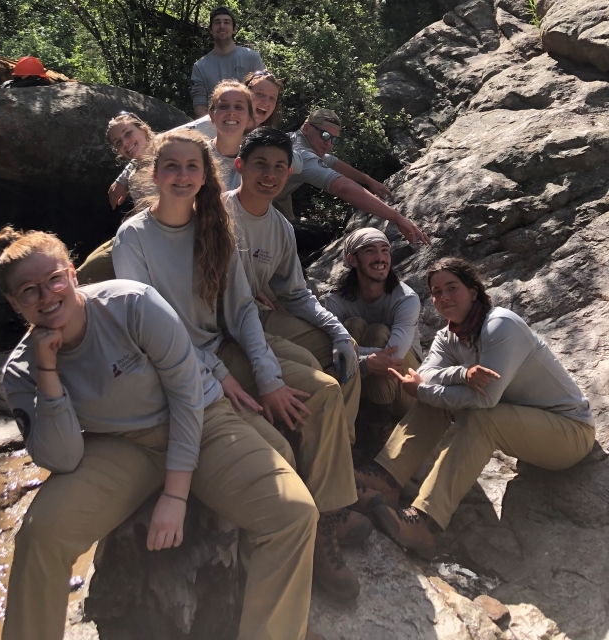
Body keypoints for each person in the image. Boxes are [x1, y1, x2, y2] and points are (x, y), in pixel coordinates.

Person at [0, 226, 321, 640]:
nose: (46, 295)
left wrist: (175, 494)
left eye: (54, 279)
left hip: (202, 422)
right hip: (121, 446)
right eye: (28, 291)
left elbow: (185, 393)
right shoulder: (22, 370)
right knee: (42, 534)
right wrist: (48, 373)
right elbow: (63, 458)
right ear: (13, 302)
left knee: (293, 514)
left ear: (73, 274)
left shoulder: (130, 303)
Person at [112, 129, 368, 600]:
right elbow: (148, 328)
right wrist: (219, 374)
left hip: (220, 348)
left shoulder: (217, 227)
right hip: (178, 367)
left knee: (324, 392)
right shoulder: (133, 237)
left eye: (193, 167)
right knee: (274, 447)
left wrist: (269, 377)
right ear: (153, 173)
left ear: (207, 174)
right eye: (172, 166)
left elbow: (243, 310)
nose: (183, 175)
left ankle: (327, 519)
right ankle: (284, 550)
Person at [356, 257, 595, 559]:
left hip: (569, 431)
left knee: (480, 417)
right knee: (433, 399)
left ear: (473, 291)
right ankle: (386, 477)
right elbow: (425, 374)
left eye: (452, 288)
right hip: (521, 426)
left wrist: (428, 387)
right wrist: (462, 374)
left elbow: (485, 399)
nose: (443, 297)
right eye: (436, 291)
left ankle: (426, 524)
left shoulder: (500, 325)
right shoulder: (448, 336)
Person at [222, 127, 365, 450]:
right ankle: (317, 453)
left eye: (278, 167)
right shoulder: (218, 217)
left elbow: (296, 294)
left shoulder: (281, 228)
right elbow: (238, 304)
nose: (269, 174)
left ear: (288, 173)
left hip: (255, 318)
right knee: (313, 372)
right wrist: (266, 373)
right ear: (240, 166)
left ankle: (343, 446)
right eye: (260, 164)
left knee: (347, 347)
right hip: (219, 326)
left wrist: (338, 330)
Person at [274, 108, 430, 247]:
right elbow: (344, 188)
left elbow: (332, 161)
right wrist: (397, 217)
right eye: (325, 135)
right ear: (307, 128)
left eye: (334, 139)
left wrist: (368, 180)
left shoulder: (293, 140)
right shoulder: (302, 154)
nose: (329, 143)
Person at [324, 228, 422, 426]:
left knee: (377, 332)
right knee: (352, 325)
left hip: (405, 389)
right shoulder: (336, 300)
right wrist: (367, 360)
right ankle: (358, 413)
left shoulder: (405, 298)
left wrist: (360, 357)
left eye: (385, 250)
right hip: (361, 385)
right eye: (370, 251)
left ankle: (380, 426)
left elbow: (393, 358)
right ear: (352, 260)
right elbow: (329, 349)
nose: (380, 258)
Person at [76, 112, 155, 286]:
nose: (125, 143)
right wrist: (123, 177)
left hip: (151, 241)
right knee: (80, 274)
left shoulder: (168, 152)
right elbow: (136, 161)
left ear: (144, 130)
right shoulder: (136, 163)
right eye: (118, 142)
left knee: (85, 277)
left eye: (128, 133)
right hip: (133, 232)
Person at [190, 6, 264, 117]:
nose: (222, 26)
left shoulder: (252, 58)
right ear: (210, 29)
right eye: (217, 22)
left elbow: (262, 97)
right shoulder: (200, 66)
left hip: (249, 128)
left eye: (227, 22)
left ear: (234, 29)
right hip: (215, 129)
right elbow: (200, 107)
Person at [185, 68, 283, 140]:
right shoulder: (216, 122)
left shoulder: (267, 138)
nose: (266, 102)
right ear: (245, 95)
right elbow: (173, 139)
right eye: (260, 94)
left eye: (272, 98)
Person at [205, 79, 253, 191]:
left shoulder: (254, 161)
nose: (231, 112)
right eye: (224, 106)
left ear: (249, 119)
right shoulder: (197, 156)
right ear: (212, 115)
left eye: (238, 107)